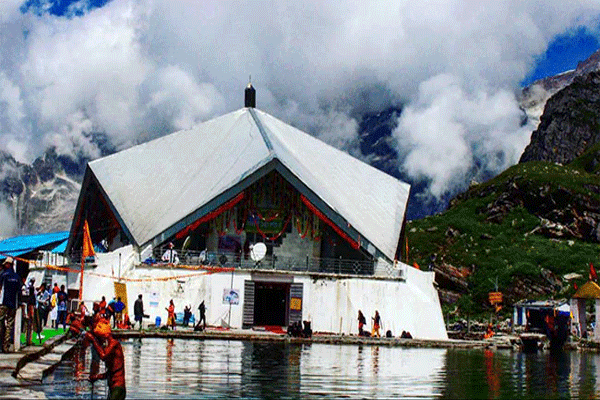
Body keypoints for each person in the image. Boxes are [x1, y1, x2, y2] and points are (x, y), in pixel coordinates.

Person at [85, 319, 126, 400]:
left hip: (118, 388)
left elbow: (103, 356)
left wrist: (93, 340)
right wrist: (96, 377)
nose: (100, 341)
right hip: (112, 388)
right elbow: (111, 372)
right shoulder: (109, 347)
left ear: (105, 336)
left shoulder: (115, 344)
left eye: (100, 338)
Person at [0, 258, 22, 352]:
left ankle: (1, 343)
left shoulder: (3, 275)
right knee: (9, 325)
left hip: (3, 303)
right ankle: (5, 347)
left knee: (0, 323)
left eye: (5, 264)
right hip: (13, 304)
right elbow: (19, 291)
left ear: (9, 264)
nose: (4, 266)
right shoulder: (17, 277)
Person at [22, 278, 36, 345]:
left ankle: (29, 340)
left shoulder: (30, 294)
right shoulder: (29, 292)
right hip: (29, 309)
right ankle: (28, 340)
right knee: (28, 325)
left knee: (29, 326)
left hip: (29, 308)